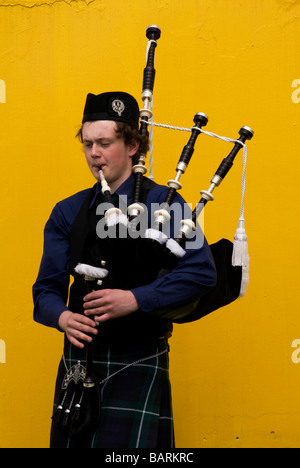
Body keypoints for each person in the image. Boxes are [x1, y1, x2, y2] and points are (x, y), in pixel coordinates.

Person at [33, 91, 217, 448]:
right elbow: (45, 292)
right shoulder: (67, 212)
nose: (94, 154)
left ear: (133, 145)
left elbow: (200, 272)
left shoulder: (164, 203)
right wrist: (63, 318)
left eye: (104, 142)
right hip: (80, 361)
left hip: (140, 357)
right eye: (87, 144)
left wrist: (135, 298)